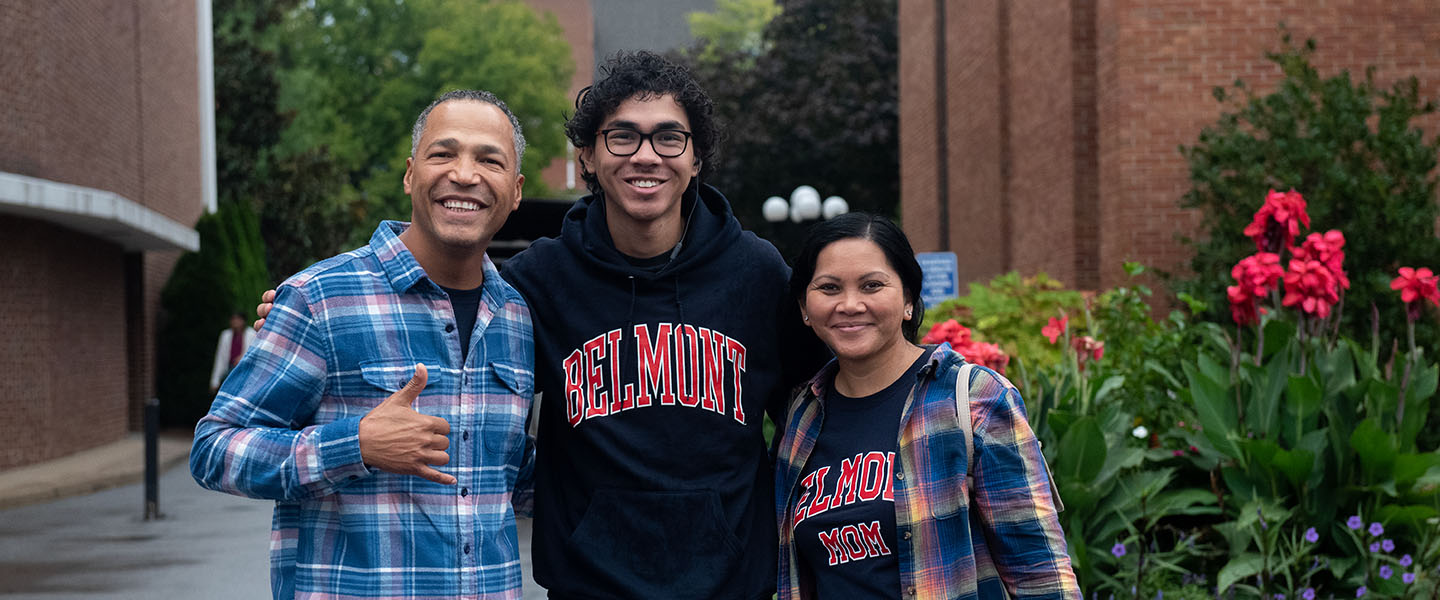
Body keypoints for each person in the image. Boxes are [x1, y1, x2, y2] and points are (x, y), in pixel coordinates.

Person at [254, 52, 822, 598]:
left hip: (733, 585)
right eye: (621, 136)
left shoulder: (758, 272)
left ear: (696, 158)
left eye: (669, 137)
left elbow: (821, 403)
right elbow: (448, 354)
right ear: (588, 158)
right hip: (587, 584)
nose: (646, 155)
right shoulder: (533, 283)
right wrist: (308, 318)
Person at [192, 90, 536, 600]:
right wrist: (355, 445)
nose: (465, 174)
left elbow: (510, 474)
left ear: (515, 191)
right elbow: (214, 448)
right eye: (443, 153)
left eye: (490, 160)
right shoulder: (320, 298)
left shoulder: (516, 319)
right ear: (408, 174)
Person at [775, 213, 1080, 599]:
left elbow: (1041, 575)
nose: (850, 304)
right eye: (829, 288)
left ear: (908, 300)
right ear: (805, 307)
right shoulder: (802, 417)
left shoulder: (975, 400)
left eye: (872, 285)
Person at [209, 311, 256, 394]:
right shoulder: (225, 335)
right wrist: (215, 381)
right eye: (233, 319)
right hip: (229, 371)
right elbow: (220, 358)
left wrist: (243, 357)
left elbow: (254, 354)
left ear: (244, 321)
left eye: (238, 319)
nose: (235, 322)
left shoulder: (252, 333)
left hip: (244, 371)